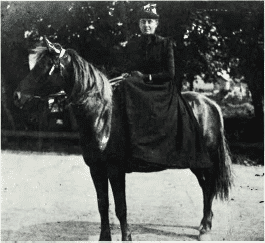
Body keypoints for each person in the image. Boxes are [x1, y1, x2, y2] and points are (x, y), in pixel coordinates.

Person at [121, 4, 211, 170]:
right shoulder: (133, 44)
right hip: (139, 87)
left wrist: (146, 77)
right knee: (124, 88)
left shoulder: (165, 44)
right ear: (139, 24)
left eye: (150, 21)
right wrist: (128, 74)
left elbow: (170, 73)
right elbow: (127, 67)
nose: (146, 25)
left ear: (156, 24)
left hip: (160, 88)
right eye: (143, 22)